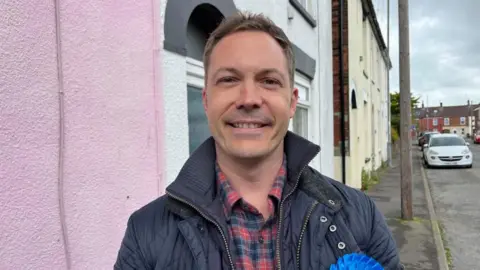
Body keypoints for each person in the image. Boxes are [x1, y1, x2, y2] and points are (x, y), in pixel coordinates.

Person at [114, 11, 402, 270]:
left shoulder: (359, 217)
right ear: (206, 100)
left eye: (269, 81)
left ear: (291, 102)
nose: (249, 99)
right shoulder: (145, 234)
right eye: (228, 79)